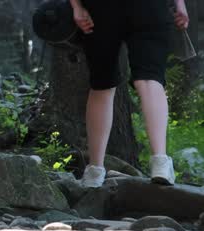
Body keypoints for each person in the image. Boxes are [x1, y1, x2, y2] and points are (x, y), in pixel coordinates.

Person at [70, 0, 190, 187]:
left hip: (102, 10)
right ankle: (160, 162)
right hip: (149, 8)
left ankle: (94, 171)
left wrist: (76, 6)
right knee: (150, 80)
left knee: (102, 85)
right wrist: (180, 4)